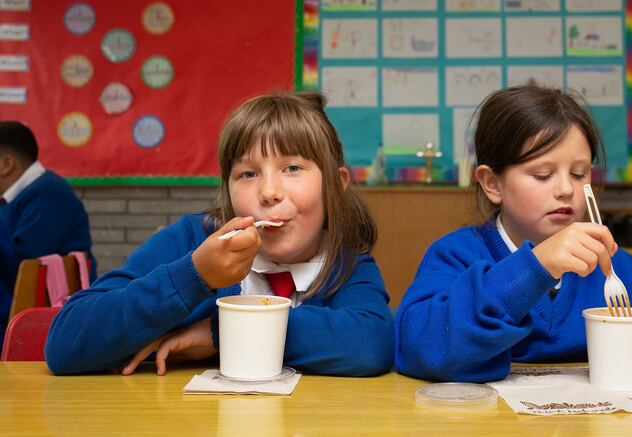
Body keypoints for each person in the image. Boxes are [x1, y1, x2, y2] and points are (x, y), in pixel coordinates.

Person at [394, 83, 632, 383]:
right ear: (492, 183)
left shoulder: (621, 272)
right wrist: (535, 267)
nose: (566, 190)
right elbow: (417, 346)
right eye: (542, 175)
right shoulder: (455, 256)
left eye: (579, 175)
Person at [46, 93, 394, 376]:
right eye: (247, 174)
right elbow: (65, 343)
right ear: (227, 191)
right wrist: (195, 275)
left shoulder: (347, 264)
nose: (269, 192)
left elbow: (371, 344)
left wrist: (224, 333)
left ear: (336, 185)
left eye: (292, 168)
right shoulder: (191, 241)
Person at [0, 121, 94, 340]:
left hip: (42, 317)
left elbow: (25, 263)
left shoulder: (49, 193)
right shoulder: (12, 198)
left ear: (6, 164)